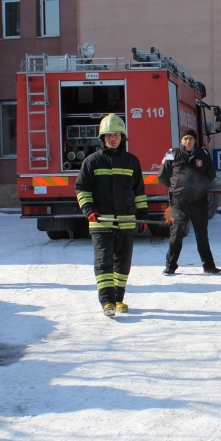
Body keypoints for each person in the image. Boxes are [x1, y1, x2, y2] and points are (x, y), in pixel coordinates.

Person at [75, 114, 148, 317]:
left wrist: (142, 215)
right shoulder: (92, 162)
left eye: (116, 135)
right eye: (108, 135)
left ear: (122, 137)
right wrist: (89, 210)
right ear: (102, 138)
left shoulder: (132, 162)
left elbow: (139, 192)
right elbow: (82, 189)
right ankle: (107, 302)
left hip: (125, 223)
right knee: (104, 262)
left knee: (123, 264)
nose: (112, 138)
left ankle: (118, 299)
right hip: (101, 223)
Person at [158, 129, 221, 276]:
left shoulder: (203, 154)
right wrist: (175, 187)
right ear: (181, 140)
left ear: (195, 140)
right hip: (179, 203)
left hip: (199, 202)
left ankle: (209, 266)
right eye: (185, 138)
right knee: (176, 236)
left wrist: (201, 186)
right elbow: (163, 176)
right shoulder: (171, 154)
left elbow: (211, 174)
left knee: (202, 236)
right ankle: (170, 266)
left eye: (191, 139)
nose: (188, 141)